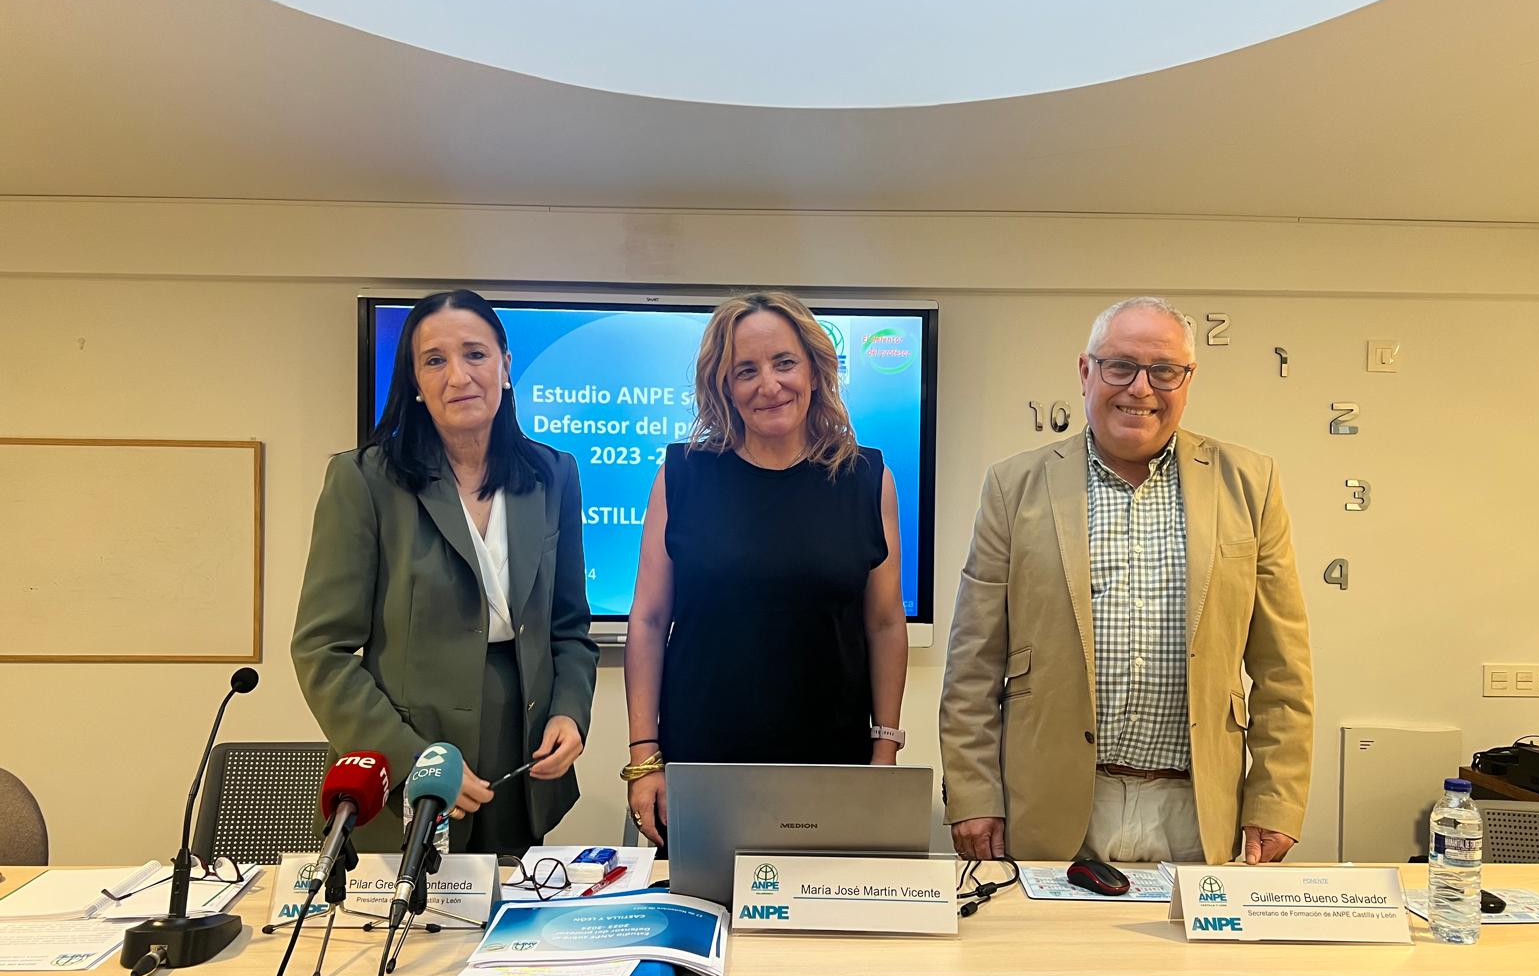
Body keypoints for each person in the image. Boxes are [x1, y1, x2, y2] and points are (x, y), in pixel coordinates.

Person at [939, 295, 1312, 866]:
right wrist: (971, 793)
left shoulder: (1250, 484)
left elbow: (1283, 666)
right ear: (1086, 371)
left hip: (1196, 809)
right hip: (1049, 807)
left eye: (1164, 371)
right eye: (1120, 366)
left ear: (1187, 380)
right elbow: (973, 662)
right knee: (1046, 957)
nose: (1141, 388)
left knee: (1194, 959)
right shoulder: (1013, 487)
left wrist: (1277, 800)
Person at [292, 289, 598, 853]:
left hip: (522, 762)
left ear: (506, 367)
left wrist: (570, 712)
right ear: (414, 381)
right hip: (408, 754)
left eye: (475, 354)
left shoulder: (554, 474)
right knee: (411, 932)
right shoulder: (364, 480)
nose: (459, 375)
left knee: (509, 931)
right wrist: (409, 760)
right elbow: (321, 651)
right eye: (435, 360)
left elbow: (569, 626)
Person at [623, 291, 908, 846]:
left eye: (784, 363)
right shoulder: (682, 476)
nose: (769, 385)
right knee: (706, 918)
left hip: (833, 763)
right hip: (704, 761)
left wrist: (885, 750)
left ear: (815, 369)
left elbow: (885, 624)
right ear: (723, 387)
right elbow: (649, 621)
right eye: (745, 371)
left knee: (823, 925)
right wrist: (643, 756)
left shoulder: (867, 479)